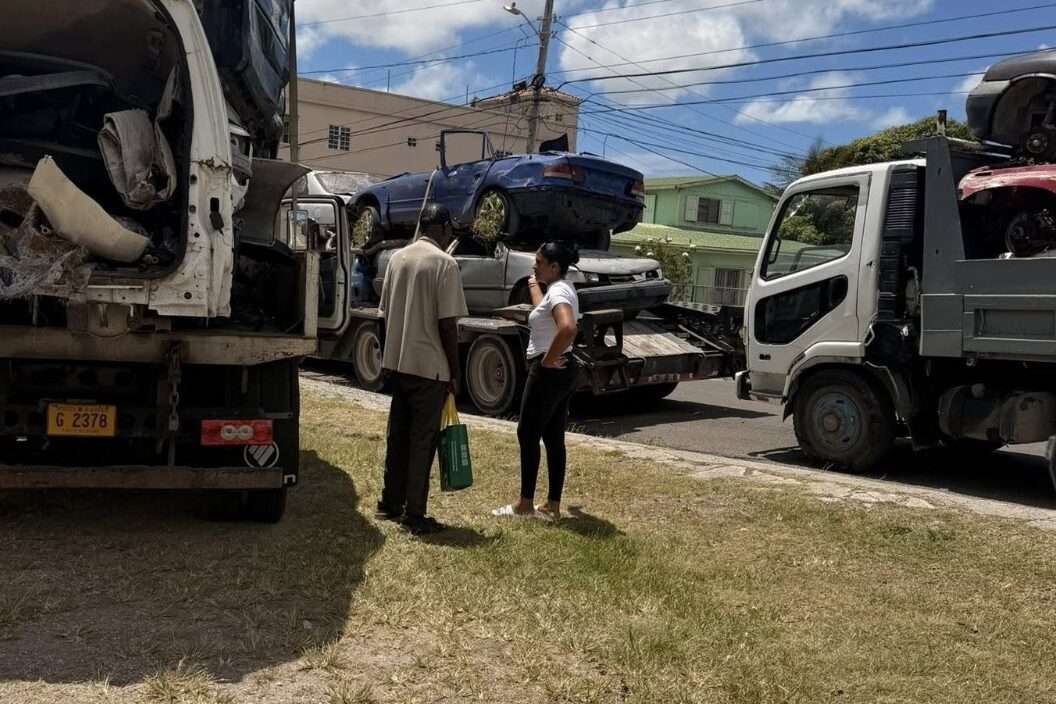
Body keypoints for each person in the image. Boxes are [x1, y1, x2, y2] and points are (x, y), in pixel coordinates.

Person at [377, 202, 468, 535]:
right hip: (430, 368)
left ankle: (389, 503)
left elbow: (383, 316)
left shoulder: (397, 259)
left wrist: (387, 360)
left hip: (399, 363)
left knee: (397, 437)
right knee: (422, 442)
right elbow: (448, 325)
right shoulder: (445, 264)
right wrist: (455, 373)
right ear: (442, 229)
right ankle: (414, 514)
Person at [493, 241, 581, 523]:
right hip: (563, 370)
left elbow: (567, 327)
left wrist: (545, 360)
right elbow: (543, 312)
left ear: (554, 267)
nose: (535, 265)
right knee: (553, 437)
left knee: (527, 433)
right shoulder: (559, 289)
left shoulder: (558, 292)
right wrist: (534, 283)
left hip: (548, 371)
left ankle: (524, 504)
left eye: (539, 262)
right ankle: (552, 506)